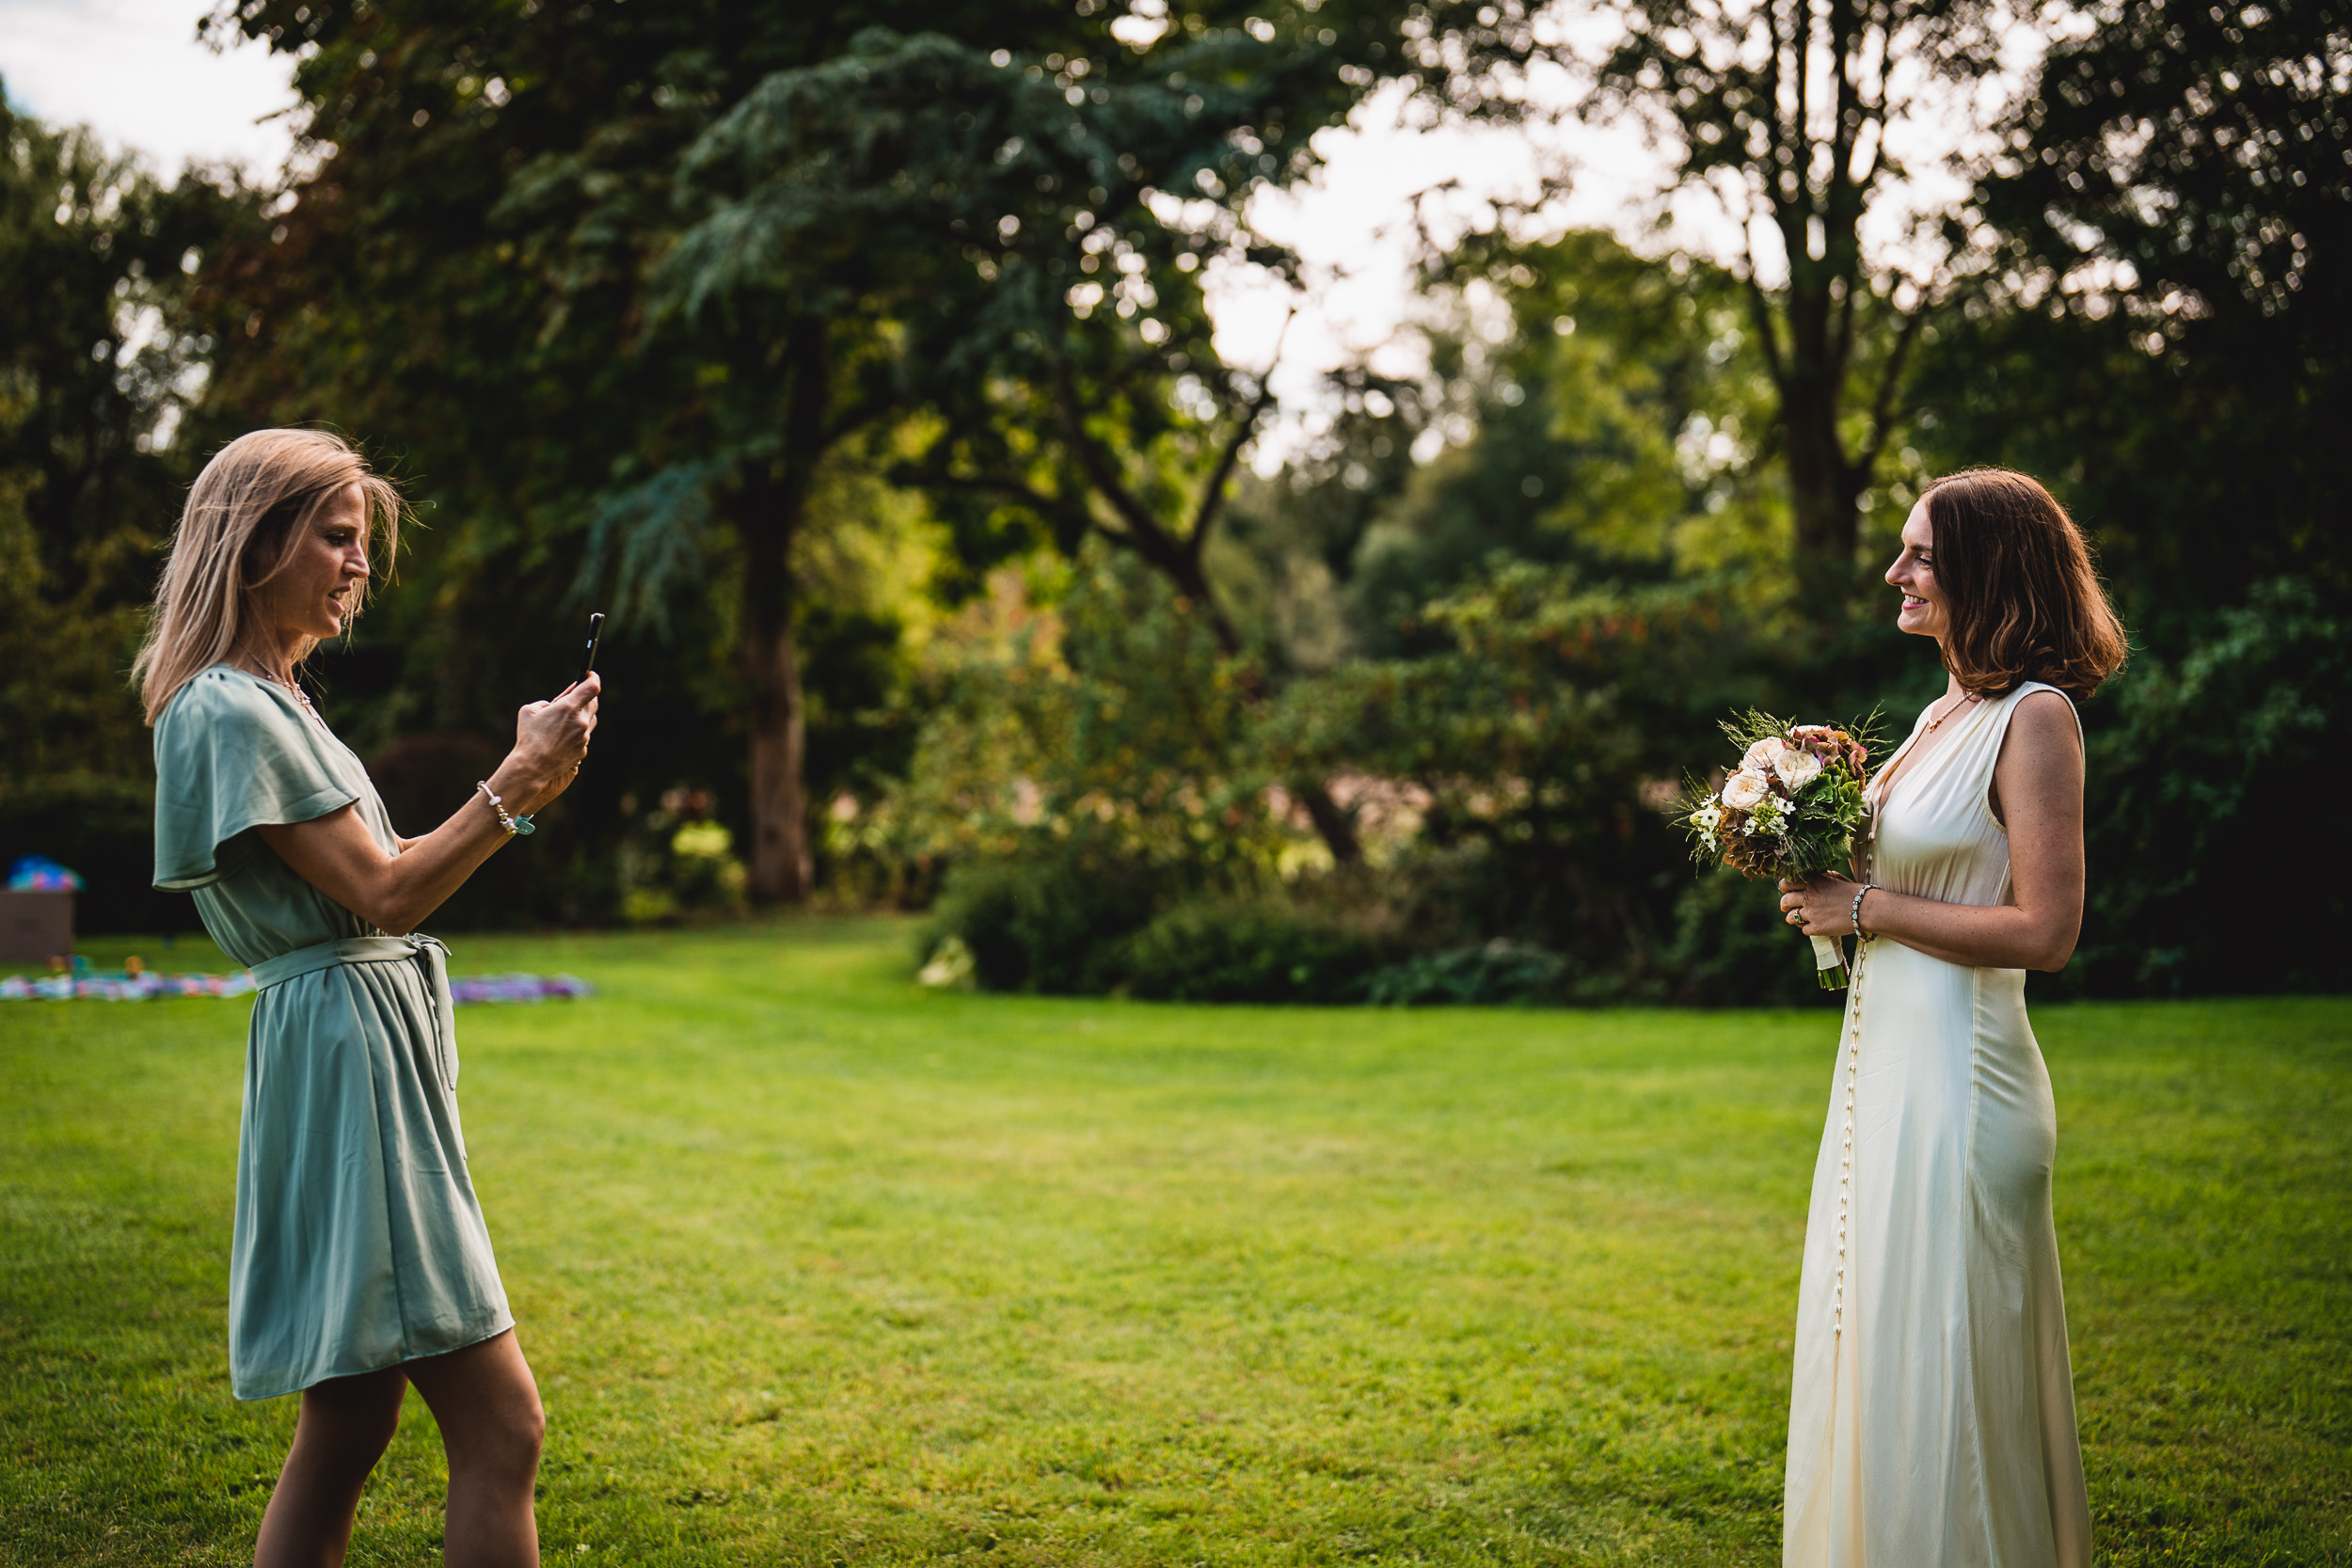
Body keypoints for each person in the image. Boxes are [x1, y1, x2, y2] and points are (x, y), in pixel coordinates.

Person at [136, 428, 598, 1568]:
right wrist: (516, 784)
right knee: (502, 1423)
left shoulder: (272, 699)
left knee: (348, 1418)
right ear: (256, 543)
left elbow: (382, 887)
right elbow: (385, 892)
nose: (360, 565)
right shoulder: (227, 709)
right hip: (347, 1067)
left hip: (350, 1053)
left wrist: (519, 789)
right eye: (338, 537)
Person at [1774, 468, 2128, 1567]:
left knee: (1951, 1373)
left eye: (1920, 554)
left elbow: (2043, 927)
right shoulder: (1940, 713)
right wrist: (1810, 812)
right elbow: (1902, 882)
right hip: (1885, 1071)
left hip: (1966, 1087)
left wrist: (1862, 903)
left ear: (1987, 568)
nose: (1896, 572)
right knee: (1880, 1348)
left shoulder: (2035, 719)